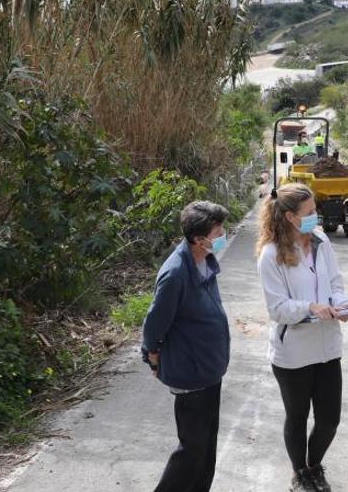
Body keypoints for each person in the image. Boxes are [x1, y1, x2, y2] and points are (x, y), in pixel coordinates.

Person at [256, 183, 348, 492]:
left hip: (326, 347)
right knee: (297, 417)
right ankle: (300, 473)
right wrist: (310, 308)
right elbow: (277, 309)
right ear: (289, 217)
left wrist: (341, 304)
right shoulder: (271, 255)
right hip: (293, 352)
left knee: (329, 420)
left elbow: (335, 282)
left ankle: (314, 466)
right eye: (310, 212)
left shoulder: (322, 241)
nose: (316, 217)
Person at [141, 200, 231, 492]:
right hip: (191, 372)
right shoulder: (176, 273)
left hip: (210, 368)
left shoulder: (204, 260)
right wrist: (151, 355)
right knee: (191, 451)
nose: (222, 235)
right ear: (198, 237)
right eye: (218, 231)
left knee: (206, 450)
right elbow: (155, 322)